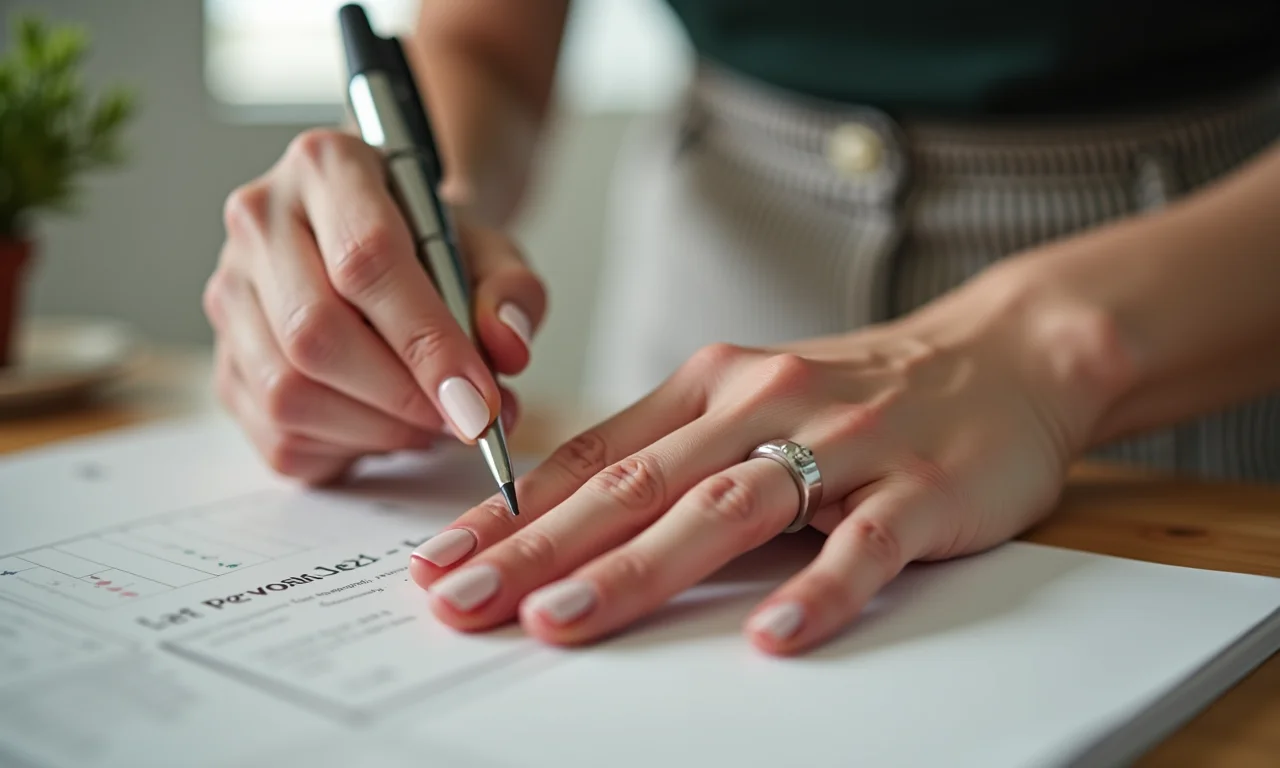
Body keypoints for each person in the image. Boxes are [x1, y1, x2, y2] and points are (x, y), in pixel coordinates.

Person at [204, 0, 1280, 656]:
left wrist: (1051, 351)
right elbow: (484, 37)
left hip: (1189, 303)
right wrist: (424, 210)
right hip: (711, 286)